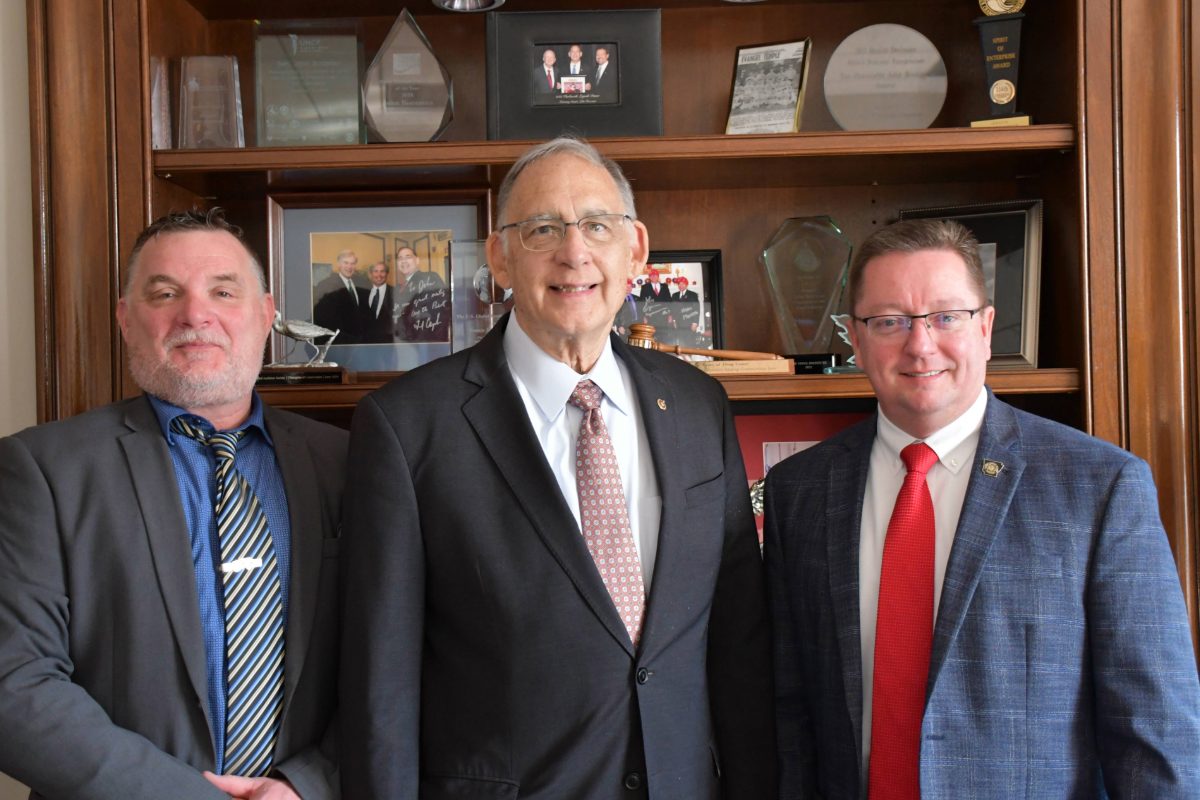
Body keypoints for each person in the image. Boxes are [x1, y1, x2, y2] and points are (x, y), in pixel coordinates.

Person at [341, 136, 775, 799]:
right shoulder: (407, 427)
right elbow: (381, 684)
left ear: (635, 249)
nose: (574, 252)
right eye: (543, 229)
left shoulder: (697, 404)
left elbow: (738, 643)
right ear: (500, 257)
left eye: (597, 226)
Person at [763, 218, 1200, 799]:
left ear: (986, 327)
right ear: (857, 339)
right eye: (890, 321)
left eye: (946, 317)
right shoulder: (801, 490)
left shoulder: (1098, 486)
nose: (921, 345)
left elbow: (1154, 730)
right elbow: (791, 713)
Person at [0, 209, 346, 798]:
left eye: (222, 291)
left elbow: (396, 662)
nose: (195, 315)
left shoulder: (348, 465)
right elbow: (14, 682)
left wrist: (308, 784)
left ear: (265, 315)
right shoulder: (42, 470)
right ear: (125, 319)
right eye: (165, 293)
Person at [392, 245, 449, 342]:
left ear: (417, 260)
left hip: (423, 344)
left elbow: (441, 315)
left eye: (408, 257)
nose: (403, 261)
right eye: (400, 258)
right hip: (403, 342)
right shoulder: (398, 288)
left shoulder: (430, 278)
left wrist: (436, 346)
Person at [313, 248, 368, 344]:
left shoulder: (361, 283)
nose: (349, 267)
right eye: (346, 263)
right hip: (338, 341)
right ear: (338, 264)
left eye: (352, 263)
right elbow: (323, 319)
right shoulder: (326, 285)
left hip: (359, 339)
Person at [362, 259, 395, 344]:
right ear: (371, 274)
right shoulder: (361, 293)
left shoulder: (395, 293)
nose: (379, 275)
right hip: (365, 343)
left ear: (387, 273)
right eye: (375, 271)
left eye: (382, 271)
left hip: (388, 344)